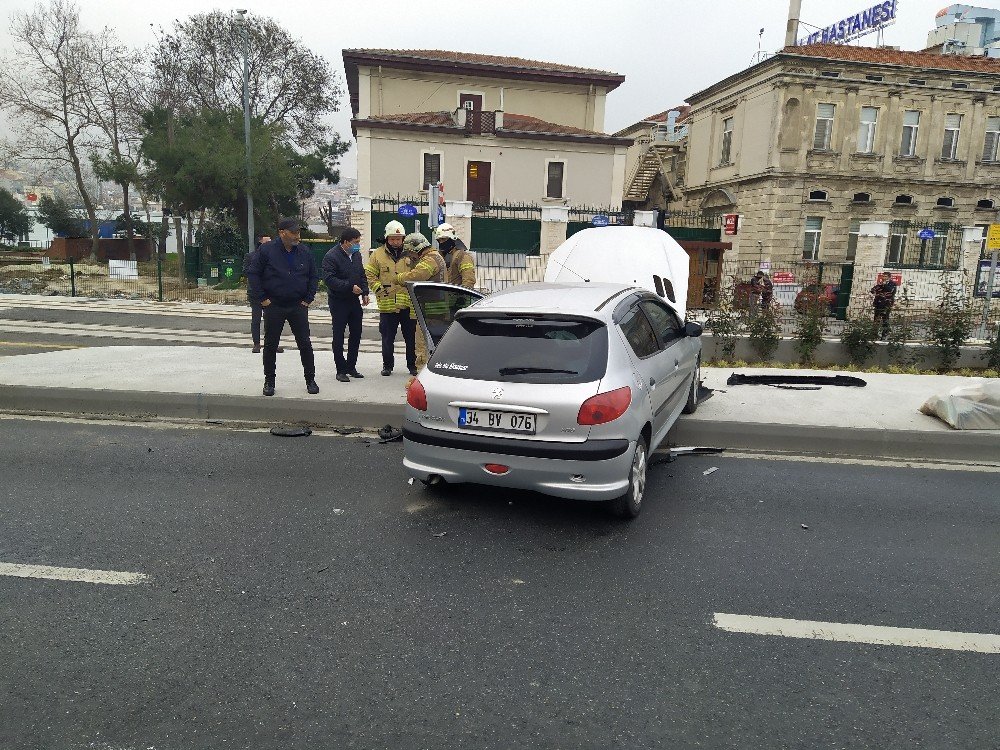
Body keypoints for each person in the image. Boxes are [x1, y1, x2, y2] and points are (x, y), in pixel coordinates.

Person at [247, 218, 319, 397]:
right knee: (270, 345)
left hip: (298, 305)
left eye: (298, 232)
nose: (297, 236)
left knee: (305, 344)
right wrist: (262, 299)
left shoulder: (304, 251)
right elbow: (253, 274)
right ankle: (269, 381)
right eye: (293, 232)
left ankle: (310, 380)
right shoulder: (266, 250)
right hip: (274, 305)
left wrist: (308, 299)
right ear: (282, 233)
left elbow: (313, 276)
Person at [365, 220, 416, 376]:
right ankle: (387, 366)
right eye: (392, 238)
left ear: (403, 239)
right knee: (387, 339)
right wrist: (379, 290)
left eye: (398, 239)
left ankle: (412, 366)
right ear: (386, 238)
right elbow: (369, 274)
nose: (395, 242)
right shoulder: (377, 254)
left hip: (408, 305)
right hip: (387, 305)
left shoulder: (411, 254)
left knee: (411, 339)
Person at [322, 228, 370, 383]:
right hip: (338, 301)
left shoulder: (356, 255)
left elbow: (362, 274)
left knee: (356, 333)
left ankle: (351, 366)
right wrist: (349, 287)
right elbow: (330, 280)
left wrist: (365, 292)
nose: (358, 245)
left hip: (354, 301)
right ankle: (340, 369)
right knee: (339, 336)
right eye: (355, 242)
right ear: (345, 242)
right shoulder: (331, 256)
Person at [395, 232, 445, 374]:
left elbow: (415, 277)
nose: (411, 256)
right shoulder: (436, 256)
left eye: (410, 252)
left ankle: (422, 377)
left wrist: (398, 277)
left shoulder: (429, 260)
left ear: (416, 248)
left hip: (429, 310)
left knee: (423, 344)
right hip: (435, 309)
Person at [243, 235, 282, 354]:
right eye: (267, 242)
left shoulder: (275, 256)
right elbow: (246, 272)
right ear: (260, 243)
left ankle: (272, 344)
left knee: (271, 319)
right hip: (255, 293)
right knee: (256, 319)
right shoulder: (250, 256)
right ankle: (256, 344)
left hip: (270, 292)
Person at [433, 223, 477, 289]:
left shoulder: (463, 256)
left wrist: (463, 297)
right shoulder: (441, 256)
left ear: (452, 239)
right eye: (439, 240)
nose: (441, 242)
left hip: (457, 296)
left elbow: (468, 280)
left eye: (444, 239)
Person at [871, 271, 897, 339]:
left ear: (889, 277)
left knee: (885, 319)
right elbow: (874, 289)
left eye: (885, 276)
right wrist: (874, 290)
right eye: (883, 276)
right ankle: (874, 334)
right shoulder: (881, 283)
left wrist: (885, 285)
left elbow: (890, 291)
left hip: (887, 304)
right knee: (876, 318)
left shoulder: (893, 284)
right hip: (878, 303)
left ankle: (884, 334)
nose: (883, 277)